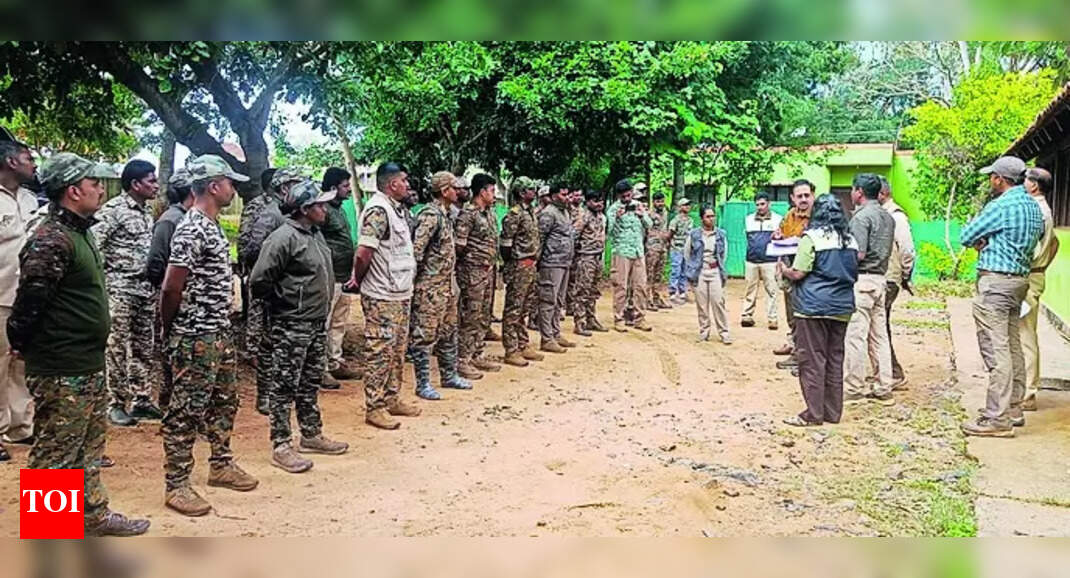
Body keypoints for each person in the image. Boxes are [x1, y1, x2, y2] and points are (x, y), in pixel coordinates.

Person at [7, 152, 149, 535]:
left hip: (86, 361)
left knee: (87, 446)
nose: (101, 189)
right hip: (60, 366)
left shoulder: (80, 232)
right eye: (94, 184)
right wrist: (20, 343)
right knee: (55, 452)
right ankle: (48, 537)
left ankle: (91, 515)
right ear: (73, 191)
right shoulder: (51, 239)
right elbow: (30, 302)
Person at [160, 154, 259, 516]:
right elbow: (172, 287)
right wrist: (170, 329)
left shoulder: (212, 224)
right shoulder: (191, 227)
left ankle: (220, 464)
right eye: (230, 182)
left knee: (224, 401)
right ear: (215, 186)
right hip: (195, 334)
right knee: (186, 410)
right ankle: (177, 484)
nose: (234, 188)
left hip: (218, 331)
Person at [250, 179, 348, 473]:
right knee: (283, 387)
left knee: (309, 382)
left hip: (316, 322)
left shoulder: (315, 234)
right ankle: (281, 445)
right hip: (291, 324)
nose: (325, 209)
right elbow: (259, 281)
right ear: (305, 209)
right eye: (319, 205)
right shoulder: (282, 238)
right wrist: (285, 305)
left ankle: (311, 434)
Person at [960, 156, 1043, 438]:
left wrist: (983, 241)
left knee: (996, 351)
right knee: (1012, 345)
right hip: (1020, 280)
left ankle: (997, 418)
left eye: (991, 177)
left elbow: (967, 235)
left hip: (995, 282)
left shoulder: (1001, 206)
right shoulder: (1032, 206)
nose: (990, 182)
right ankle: (1014, 408)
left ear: (999, 178)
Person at [347, 162, 422, 430]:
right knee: (380, 351)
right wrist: (358, 278)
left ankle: (392, 398)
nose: (408, 184)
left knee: (397, 350)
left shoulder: (397, 210)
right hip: (381, 295)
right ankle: (374, 406)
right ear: (392, 184)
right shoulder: (379, 211)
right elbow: (364, 252)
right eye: (404, 180)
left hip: (400, 292)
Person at [778, 194, 859, 427]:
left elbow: (799, 272)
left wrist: (784, 269)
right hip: (842, 306)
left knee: (812, 360)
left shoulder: (811, 237)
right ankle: (832, 412)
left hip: (813, 307)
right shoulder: (850, 240)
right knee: (835, 358)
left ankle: (813, 414)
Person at [92, 159, 161, 426]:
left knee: (144, 347)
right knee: (117, 347)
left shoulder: (146, 211)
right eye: (151, 181)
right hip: (119, 290)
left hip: (144, 291)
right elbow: (95, 247)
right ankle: (115, 403)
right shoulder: (113, 210)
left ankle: (141, 399)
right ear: (135, 184)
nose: (156, 185)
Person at [240, 168, 305, 413]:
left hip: (287, 290)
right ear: (284, 187)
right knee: (267, 343)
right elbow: (253, 249)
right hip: (269, 288)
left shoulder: (294, 212)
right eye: (296, 183)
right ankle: (264, 395)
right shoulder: (271, 213)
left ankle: (280, 391)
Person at [406, 171, 474, 395]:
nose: (460, 191)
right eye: (455, 187)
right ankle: (423, 383)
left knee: (448, 331)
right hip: (430, 288)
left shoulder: (446, 215)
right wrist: (417, 284)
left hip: (445, 286)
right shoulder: (430, 216)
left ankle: (449, 375)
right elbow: (416, 251)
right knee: (424, 336)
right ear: (445, 191)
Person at [842, 173, 896, 406]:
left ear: (859, 192)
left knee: (856, 336)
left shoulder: (860, 218)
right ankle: (884, 386)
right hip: (880, 280)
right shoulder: (888, 217)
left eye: (853, 190)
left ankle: (853, 387)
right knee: (880, 336)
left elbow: (859, 253)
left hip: (861, 280)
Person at [0, 140, 37, 459]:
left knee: (21, 363)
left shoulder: (29, 200)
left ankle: (20, 427)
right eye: (29, 158)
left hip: (27, 296)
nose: (34, 163)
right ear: (11, 162)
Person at [146, 169, 195, 410]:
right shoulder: (170, 220)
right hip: (172, 295)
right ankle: (169, 406)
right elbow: (156, 262)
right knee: (170, 354)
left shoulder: (190, 217)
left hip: (187, 298)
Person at [1019, 167, 1059, 412]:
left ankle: (1028, 392)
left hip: (1029, 276)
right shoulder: (1046, 210)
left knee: (1025, 336)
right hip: (1036, 274)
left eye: (1026, 180)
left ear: (1034, 185)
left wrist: (1036, 267)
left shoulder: (1037, 212)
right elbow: (1055, 244)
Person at [456, 173, 502, 373]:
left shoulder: (489, 213)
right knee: (470, 315)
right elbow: (459, 245)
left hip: (488, 270)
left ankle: (477, 353)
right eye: (492, 190)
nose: (494, 195)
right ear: (482, 192)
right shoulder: (468, 214)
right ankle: (463, 359)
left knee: (483, 314)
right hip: (472, 272)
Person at [319, 167, 361, 387]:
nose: (349, 190)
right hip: (329, 276)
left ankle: (336, 361)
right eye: (346, 186)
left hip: (344, 275)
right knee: (324, 323)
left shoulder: (340, 209)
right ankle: (321, 368)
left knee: (339, 322)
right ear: (334, 187)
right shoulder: (322, 210)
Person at [874, 177, 915, 388]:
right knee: (879, 326)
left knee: (880, 327)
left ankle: (893, 373)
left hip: (890, 277)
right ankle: (886, 371)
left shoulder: (896, 217)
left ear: (882, 194)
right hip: (883, 277)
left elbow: (907, 250)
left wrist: (905, 275)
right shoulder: (883, 215)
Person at [500, 176, 545, 367]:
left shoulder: (531, 212)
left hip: (530, 265)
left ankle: (522, 343)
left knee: (525, 307)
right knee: (514, 308)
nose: (533, 192)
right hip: (519, 265)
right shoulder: (515, 214)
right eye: (530, 189)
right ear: (521, 193)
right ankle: (511, 349)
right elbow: (505, 244)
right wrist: (514, 262)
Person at [773, 179, 814, 364]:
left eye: (807, 195)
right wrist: (778, 236)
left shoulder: (818, 216)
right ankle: (793, 343)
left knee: (804, 314)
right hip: (790, 268)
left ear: (813, 195)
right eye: (800, 196)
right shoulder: (790, 215)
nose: (803, 199)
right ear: (792, 198)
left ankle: (802, 353)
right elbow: (781, 233)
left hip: (810, 272)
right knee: (791, 311)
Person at [606, 179, 653, 332]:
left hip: (638, 251)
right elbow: (608, 232)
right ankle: (618, 318)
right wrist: (616, 217)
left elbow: (650, 225)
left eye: (628, 195)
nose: (626, 199)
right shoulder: (614, 209)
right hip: (621, 251)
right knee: (621, 286)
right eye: (623, 197)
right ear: (619, 196)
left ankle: (640, 318)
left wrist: (642, 215)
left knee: (641, 286)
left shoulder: (638, 205)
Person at [537, 183, 577, 353]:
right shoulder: (548, 214)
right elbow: (540, 238)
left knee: (559, 301)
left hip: (564, 261)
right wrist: (538, 262)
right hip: (551, 262)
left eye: (567, 194)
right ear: (553, 196)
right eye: (562, 194)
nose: (566, 197)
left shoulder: (565, 212)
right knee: (548, 300)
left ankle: (555, 333)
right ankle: (546, 338)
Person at [683, 205, 731, 344]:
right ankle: (704, 331)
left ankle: (724, 332)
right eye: (708, 216)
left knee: (718, 302)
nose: (711, 219)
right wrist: (693, 269)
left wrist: (719, 266)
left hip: (715, 271)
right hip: (700, 272)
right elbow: (687, 254)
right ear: (702, 218)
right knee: (702, 304)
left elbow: (724, 254)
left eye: (713, 216)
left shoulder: (721, 234)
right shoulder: (694, 234)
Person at [742, 192, 783, 330]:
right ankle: (747, 316)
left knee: (772, 290)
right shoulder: (748, 219)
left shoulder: (778, 219)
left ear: (769, 204)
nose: (759, 207)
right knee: (750, 289)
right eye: (757, 204)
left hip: (770, 261)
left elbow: (781, 239)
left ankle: (772, 319)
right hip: (751, 260)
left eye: (762, 204)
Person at [571, 189, 608, 336]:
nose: (599, 204)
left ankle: (591, 318)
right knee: (582, 290)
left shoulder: (601, 217)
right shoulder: (583, 216)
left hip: (598, 256)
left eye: (600, 201)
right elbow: (574, 236)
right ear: (588, 202)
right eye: (595, 201)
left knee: (593, 290)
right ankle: (579, 322)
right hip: (586, 257)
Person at [527, 186, 552, 331]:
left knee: (542, 289)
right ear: (542, 197)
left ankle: (537, 318)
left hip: (545, 256)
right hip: (535, 254)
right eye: (547, 196)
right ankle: (532, 317)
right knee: (534, 289)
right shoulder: (536, 212)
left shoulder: (550, 212)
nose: (549, 198)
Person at [643, 192, 671, 311]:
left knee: (659, 275)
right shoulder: (648, 214)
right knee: (649, 274)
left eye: (662, 201)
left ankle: (656, 297)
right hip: (651, 247)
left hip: (662, 247)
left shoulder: (665, 213)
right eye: (658, 201)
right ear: (653, 202)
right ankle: (647, 299)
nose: (661, 204)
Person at [666, 197, 693, 305]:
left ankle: (682, 292)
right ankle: (672, 293)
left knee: (684, 271)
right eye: (685, 205)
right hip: (676, 248)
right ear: (680, 207)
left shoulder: (690, 220)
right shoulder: (675, 220)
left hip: (686, 248)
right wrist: (670, 244)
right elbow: (670, 233)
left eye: (688, 205)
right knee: (675, 270)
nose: (688, 207)